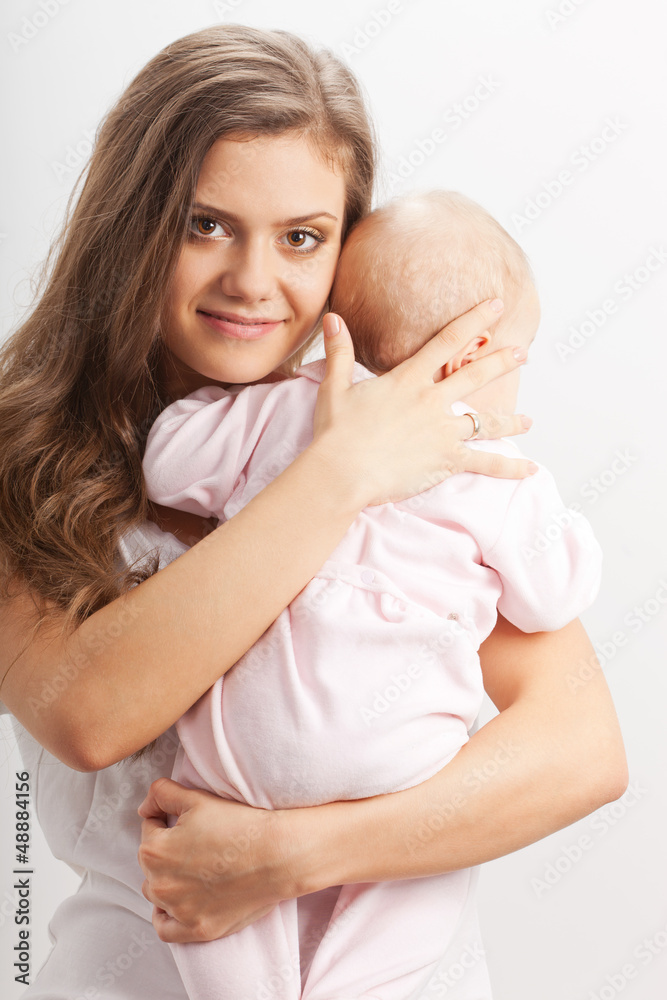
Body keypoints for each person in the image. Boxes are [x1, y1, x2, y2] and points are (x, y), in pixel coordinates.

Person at [0, 24, 627, 1000]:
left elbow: (578, 750)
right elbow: (91, 711)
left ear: (347, 243)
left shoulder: (430, 453)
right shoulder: (29, 454)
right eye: (206, 224)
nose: (254, 281)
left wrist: (292, 853)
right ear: (135, 224)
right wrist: (338, 474)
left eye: (301, 237)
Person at [140, 189, 603, 1000]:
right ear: (471, 356)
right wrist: (553, 508)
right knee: (401, 918)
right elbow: (555, 592)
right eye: (517, 355)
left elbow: (167, 466)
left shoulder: (281, 409)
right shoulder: (494, 472)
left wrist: (277, 397)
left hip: (235, 765)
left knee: (209, 928)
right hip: (394, 776)